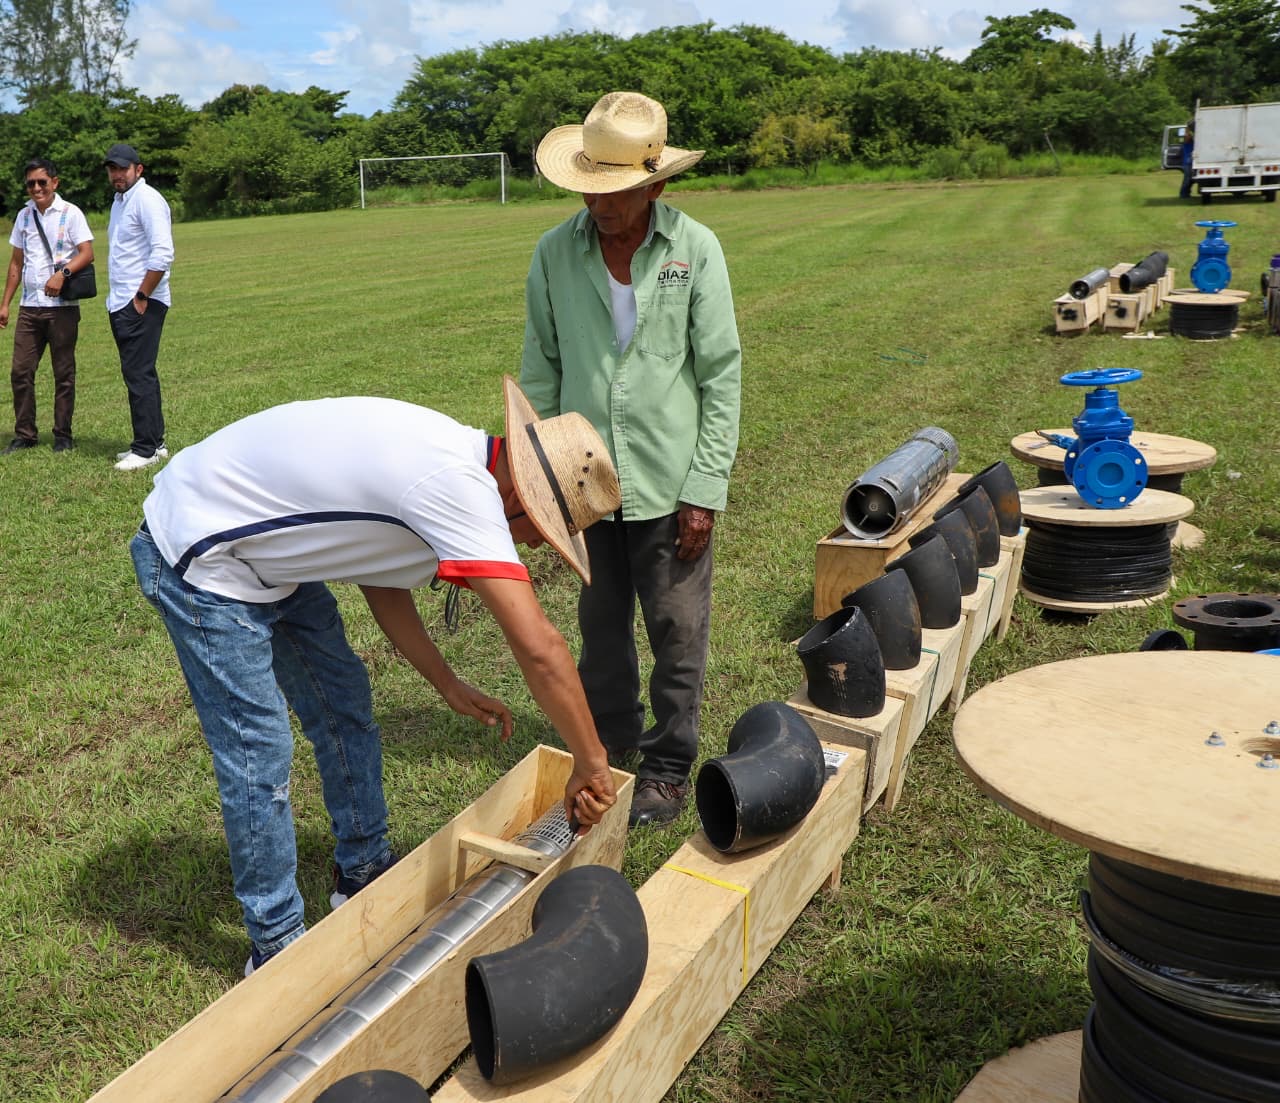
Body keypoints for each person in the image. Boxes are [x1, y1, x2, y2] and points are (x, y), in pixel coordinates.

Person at [129, 377, 621, 974]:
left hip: (268, 550)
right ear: (520, 498)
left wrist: (447, 682)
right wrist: (592, 764)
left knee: (344, 704)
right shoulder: (463, 491)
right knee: (259, 751)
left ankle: (362, 872)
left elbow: (381, 576)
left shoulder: (457, 459)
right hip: (201, 553)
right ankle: (276, 949)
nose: (532, 547)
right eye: (539, 533)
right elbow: (540, 647)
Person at [520, 91, 742, 828]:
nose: (599, 203)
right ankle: (610, 752)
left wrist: (704, 488)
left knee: (678, 630)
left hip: (673, 481)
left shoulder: (694, 248)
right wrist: (547, 485)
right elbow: (542, 368)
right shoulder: (554, 253)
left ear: (657, 184)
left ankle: (669, 766)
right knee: (601, 628)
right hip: (587, 486)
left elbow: (720, 374)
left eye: (616, 191)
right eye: (590, 186)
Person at [0, 158, 94, 454]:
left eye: (42, 182)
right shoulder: (23, 216)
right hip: (29, 307)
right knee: (20, 372)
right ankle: (25, 434)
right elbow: (16, 263)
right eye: (31, 183)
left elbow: (87, 253)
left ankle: (63, 435)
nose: (37, 188)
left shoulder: (71, 213)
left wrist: (62, 273)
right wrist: (5, 304)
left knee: (63, 373)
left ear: (55, 182)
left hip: (62, 307)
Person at [104, 143, 174, 471]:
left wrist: (142, 296)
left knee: (138, 374)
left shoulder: (147, 200)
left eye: (123, 168)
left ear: (138, 169)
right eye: (112, 169)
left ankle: (144, 449)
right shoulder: (121, 201)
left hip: (141, 301)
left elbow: (162, 253)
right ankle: (155, 443)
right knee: (141, 372)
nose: (117, 174)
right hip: (124, 300)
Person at [1180, 123, 1195, 199]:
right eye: (1189, 135)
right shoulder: (1186, 142)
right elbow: (1186, 136)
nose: (1189, 136)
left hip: (1191, 162)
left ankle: (1187, 193)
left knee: (1191, 179)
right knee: (1187, 179)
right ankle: (1183, 194)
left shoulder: (1192, 142)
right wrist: (1187, 127)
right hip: (1187, 163)